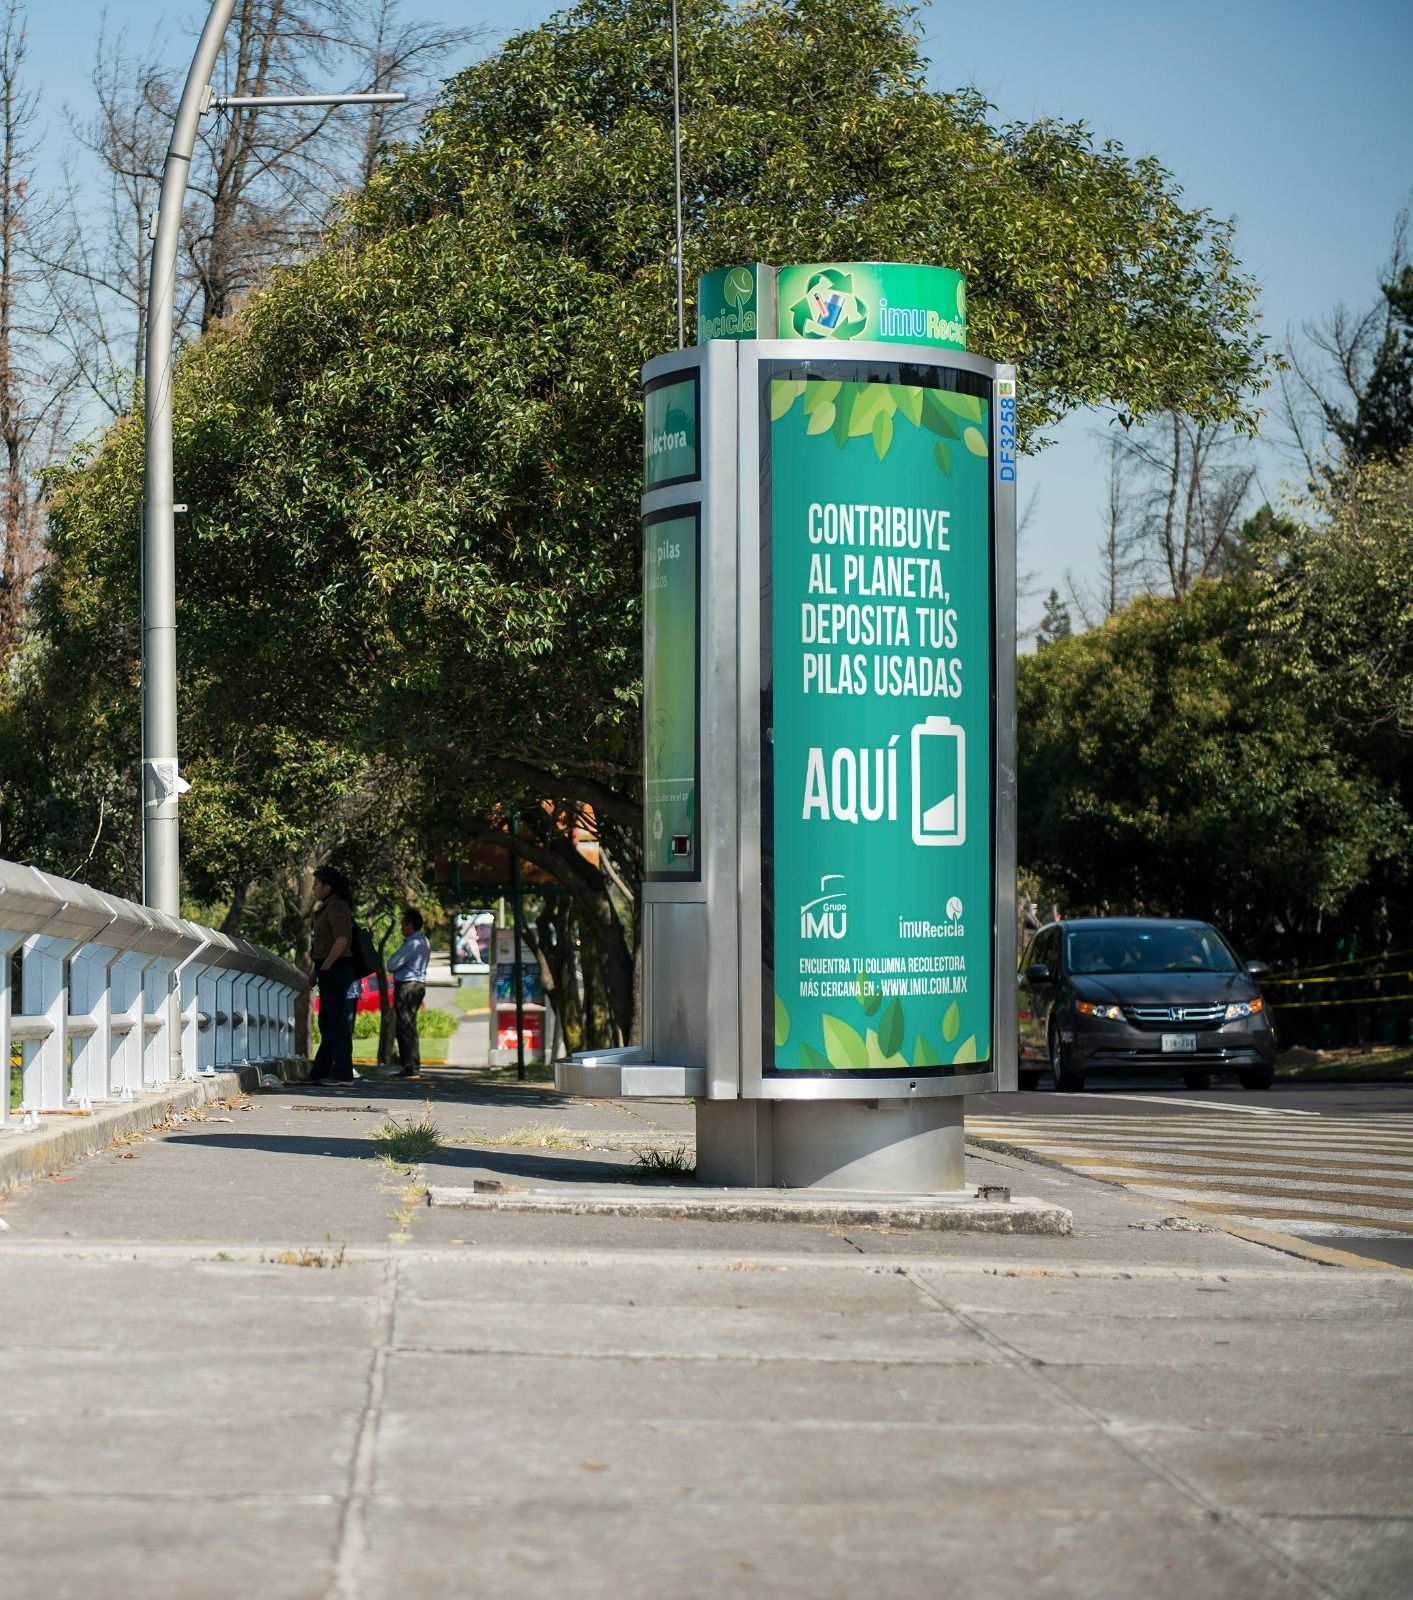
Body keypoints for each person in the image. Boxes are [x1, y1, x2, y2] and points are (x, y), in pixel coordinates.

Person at [309, 866, 357, 1084]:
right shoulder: (327, 907)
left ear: (328, 887)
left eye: (317, 884)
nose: (313, 889)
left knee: (336, 1022)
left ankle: (342, 1072)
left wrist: (326, 967)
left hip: (337, 969)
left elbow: (342, 940)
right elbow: (321, 945)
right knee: (327, 1022)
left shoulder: (337, 906)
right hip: (328, 968)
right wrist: (316, 972)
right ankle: (320, 1071)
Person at [386, 907, 431, 1078]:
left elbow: (392, 965)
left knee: (404, 1025)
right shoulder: (423, 941)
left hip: (408, 986)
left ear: (410, 925)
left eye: (403, 925)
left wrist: (393, 959)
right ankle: (412, 1064)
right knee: (409, 1024)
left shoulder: (412, 944)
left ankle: (409, 1065)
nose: (401, 928)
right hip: (418, 985)